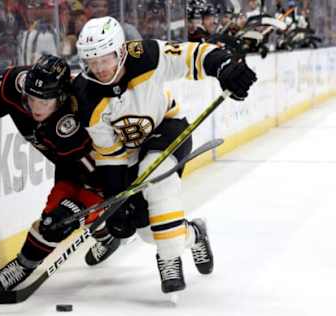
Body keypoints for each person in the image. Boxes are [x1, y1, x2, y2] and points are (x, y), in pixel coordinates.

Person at [73, 17, 256, 294]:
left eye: (105, 59)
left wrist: (224, 65)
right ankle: (194, 234)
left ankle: (168, 258)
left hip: (168, 128)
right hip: (132, 151)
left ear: (120, 51)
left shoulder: (146, 56)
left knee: (157, 177)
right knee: (147, 230)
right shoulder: (86, 95)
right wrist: (116, 201)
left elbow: (190, 55)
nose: (99, 68)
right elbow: (108, 153)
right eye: (92, 61)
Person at [0, 55, 121, 291]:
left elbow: (106, 176)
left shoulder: (86, 109)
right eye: (32, 99)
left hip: (101, 170)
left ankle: (23, 265)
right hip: (67, 164)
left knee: (55, 222)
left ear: (62, 97)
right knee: (58, 218)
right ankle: (106, 237)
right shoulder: (18, 84)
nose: (35, 107)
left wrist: (75, 212)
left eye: (44, 102)